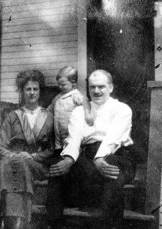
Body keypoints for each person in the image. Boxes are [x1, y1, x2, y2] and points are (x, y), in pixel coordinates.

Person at [47, 69, 136, 229]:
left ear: (111, 87)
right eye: (92, 87)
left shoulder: (122, 109)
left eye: (101, 87)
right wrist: (68, 159)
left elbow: (113, 138)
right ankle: (55, 224)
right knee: (57, 171)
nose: (96, 91)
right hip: (88, 157)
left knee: (112, 173)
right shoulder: (79, 111)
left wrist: (100, 158)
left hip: (117, 154)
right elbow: (73, 138)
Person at [0, 70, 54, 229]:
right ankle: (17, 224)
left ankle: (7, 221)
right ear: (22, 91)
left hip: (37, 163)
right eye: (28, 89)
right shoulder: (13, 116)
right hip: (13, 160)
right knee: (14, 164)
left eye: (35, 89)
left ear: (40, 91)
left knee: (14, 166)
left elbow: (52, 148)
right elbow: (0, 145)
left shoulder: (48, 117)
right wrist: (14, 155)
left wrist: (34, 156)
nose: (32, 93)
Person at [46, 66, 93, 155]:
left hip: (71, 132)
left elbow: (85, 101)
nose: (60, 87)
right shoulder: (57, 97)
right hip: (58, 133)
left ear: (73, 83)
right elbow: (49, 109)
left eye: (63, 85)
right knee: (59, 151)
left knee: (72, 149)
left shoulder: (75, 95)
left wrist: (87, 114)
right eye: (58, 84)